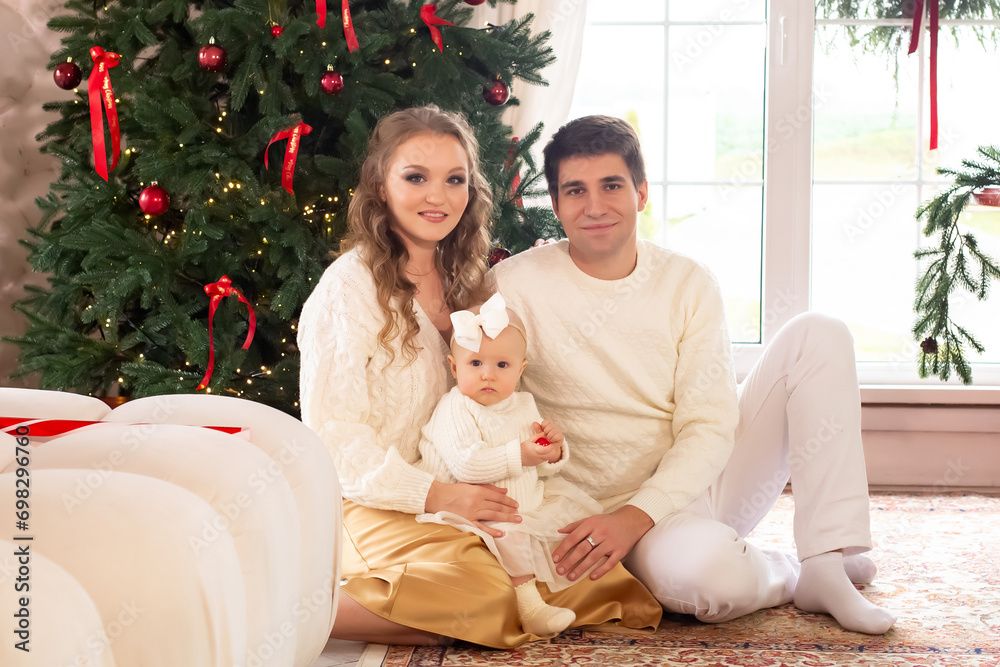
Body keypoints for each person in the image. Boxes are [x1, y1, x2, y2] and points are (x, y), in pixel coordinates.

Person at [491, 115, 897, 635]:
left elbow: (708, 425)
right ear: (556, 201)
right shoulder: (511, 287)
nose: (594, 206)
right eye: (575, 190)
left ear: (640, 193)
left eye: (611, 185)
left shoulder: (687, 282)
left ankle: (825, 557)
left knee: (819, 332)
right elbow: (478, 389)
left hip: (694, 487)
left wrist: (640, 510)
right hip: (598, 515)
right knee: (712, 584)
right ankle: (794, 572)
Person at [297, 105, 662, 648]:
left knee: (578, 575)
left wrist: (531, 442)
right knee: (492, 596)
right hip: (371, 498)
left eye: (454, 180)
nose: (436, 197)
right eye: (415, 177)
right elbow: (337, 443)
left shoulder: (466, 277)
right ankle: (290, 610)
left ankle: (430, 588)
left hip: (460, 490)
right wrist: (438, 495)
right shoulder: (347, 291)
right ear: (380, 184)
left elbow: (491, 393)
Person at [416, 292, 604, 637]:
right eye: (475, 364)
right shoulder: (456, 406)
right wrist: (522, 454)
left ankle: (563, 593)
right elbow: (467, 465)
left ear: (520, 370)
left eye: (501, 366)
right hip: (472, 506)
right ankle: (530, 606)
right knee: (510, 533)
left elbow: (540, 465)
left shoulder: (522, 403)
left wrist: (552, 449)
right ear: (454, 366)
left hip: (524, 501)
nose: (488, 375)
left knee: (574, 528)